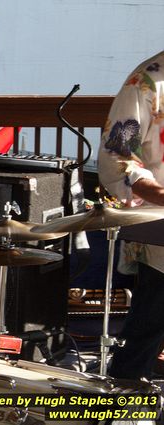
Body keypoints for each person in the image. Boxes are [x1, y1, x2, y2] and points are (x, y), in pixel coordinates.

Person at [97, 50, 164, 380]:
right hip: (161, 239)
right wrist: (156, 193)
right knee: (143, 343)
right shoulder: (148, 81)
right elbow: (117, 156)